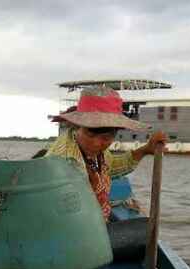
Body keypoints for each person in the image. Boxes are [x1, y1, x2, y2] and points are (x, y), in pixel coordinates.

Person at [46, 85, 167, 222]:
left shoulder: (96, 152)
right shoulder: (64, 159)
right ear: (78, 126)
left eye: (106, 138)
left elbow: (112, 166)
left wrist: (145, 149)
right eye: (90, 134)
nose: (97, 143)